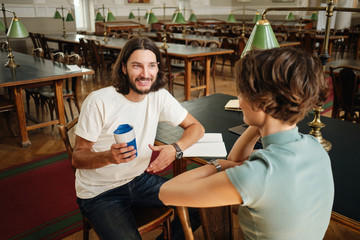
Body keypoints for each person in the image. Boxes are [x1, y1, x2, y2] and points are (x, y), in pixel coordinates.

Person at [159, 47, 334, 240]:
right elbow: (237, 159)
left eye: (241, 93)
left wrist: (217, 165)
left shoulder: (257, 175)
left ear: (262, 102)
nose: (239, 100)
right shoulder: (315, 147)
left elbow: (166, 193)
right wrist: (262, 122)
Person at [72, 37, 204, 239]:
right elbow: (77, 158)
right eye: (137, 66)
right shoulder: (99, 101)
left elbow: (196, 127)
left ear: (158, 68)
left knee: (202, 202)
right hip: (100, 193)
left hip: (138, 180)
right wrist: (108, 157)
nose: (145, 74)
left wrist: (175, 148)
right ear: (124, 68)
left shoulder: (158, 95)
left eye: (151, 66)